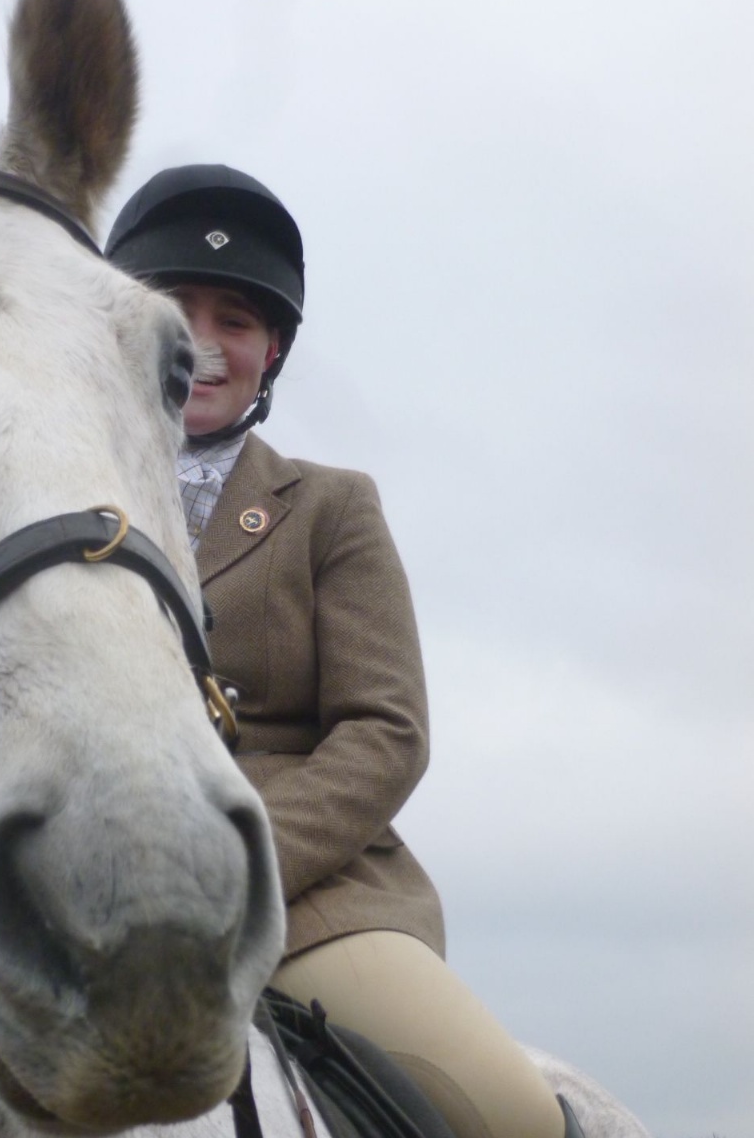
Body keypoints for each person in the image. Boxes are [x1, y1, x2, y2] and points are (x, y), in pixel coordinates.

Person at [106, 165, 576, 1138]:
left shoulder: (331, 507)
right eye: (175, 310)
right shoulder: (53, 510)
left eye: (236, 320)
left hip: (305, 895)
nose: (203, 342)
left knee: (510, 1114)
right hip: (85, 875)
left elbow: (386, 730)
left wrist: (237, 863)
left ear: (271, 351)